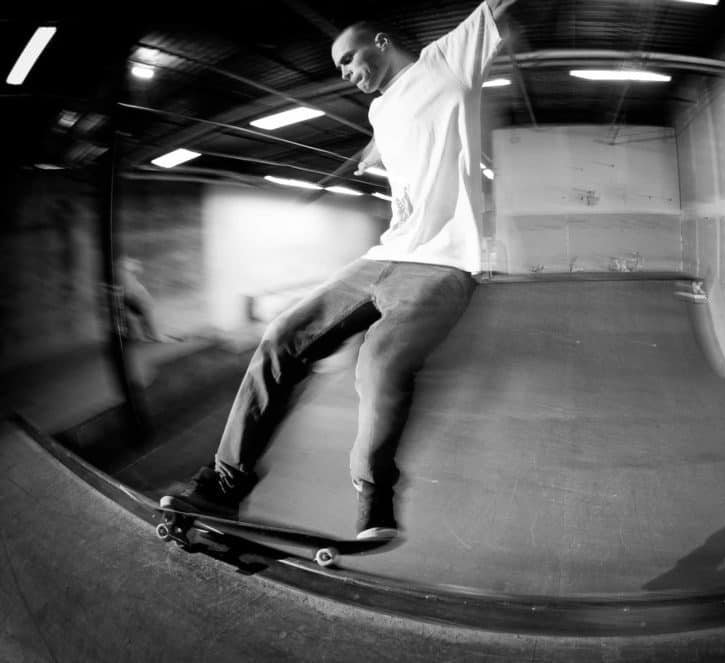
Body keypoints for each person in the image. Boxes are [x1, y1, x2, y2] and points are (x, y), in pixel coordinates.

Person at [161, 0, 519, 541]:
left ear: (380, 42)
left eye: (349, 60)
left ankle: (375, 494)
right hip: (383, 258)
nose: (347, 75)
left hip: (444, 264)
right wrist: (370, 152)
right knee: (282, 336)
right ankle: (223, 485)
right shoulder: (379, 110)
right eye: (340, 70)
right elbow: (390, 131)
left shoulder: (446, 61)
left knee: (378, 361)